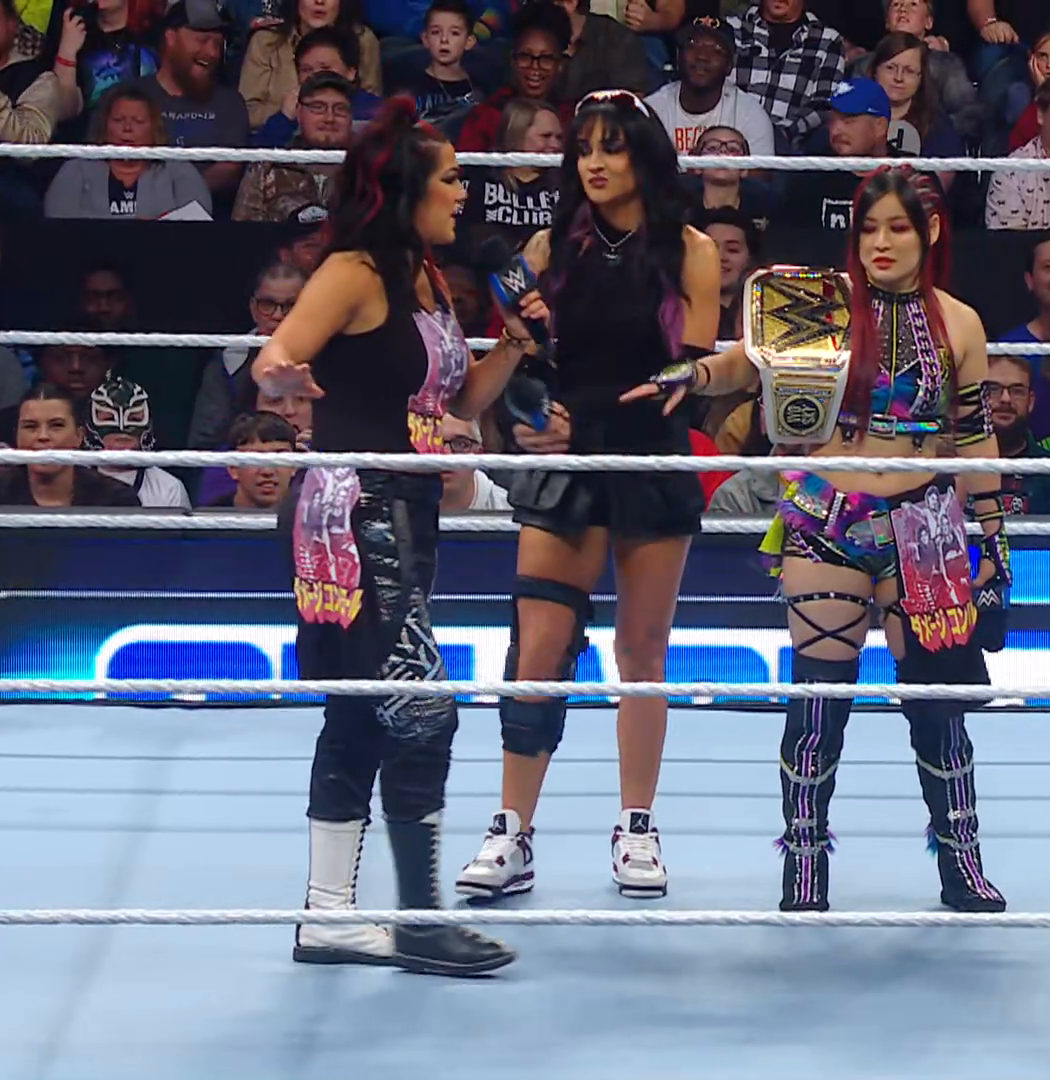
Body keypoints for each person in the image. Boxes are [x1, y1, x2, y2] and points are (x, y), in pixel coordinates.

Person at [253, 98, 539, 978]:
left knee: (360, 710)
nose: (464, 192)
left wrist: (514, 347)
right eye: (452, 178)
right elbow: (275, 358)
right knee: (421, 709)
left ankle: (329, 918)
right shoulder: (353, 270)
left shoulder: (425, 276)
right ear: (408, 188)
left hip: (408, 507)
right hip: (354, 509)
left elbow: (454, 405)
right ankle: (418, 922)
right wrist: (285, 378)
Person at [679, 166, 1008, 914]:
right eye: (868, 229)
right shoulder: (822, 303)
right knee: (820, 699)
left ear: (930, 231)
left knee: (938, 705)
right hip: (830, 516)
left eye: (897, 227)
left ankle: (962, 863)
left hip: (925, 524)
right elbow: (745, 361)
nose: (880, 243)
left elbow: (976, 436)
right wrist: (690, 373)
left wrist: (995, 542)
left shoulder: (960, 322)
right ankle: (803, 863)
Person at [454, 89, 721, 904]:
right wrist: (537, 418)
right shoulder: (547, 247)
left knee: (641, 652)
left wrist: (625, 403)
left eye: (612, 147)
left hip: (648, 455)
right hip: (565, 461)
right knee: (536, 646)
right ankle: (511, 830)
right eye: (584, 149)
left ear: (644, 154)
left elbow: (691, 374)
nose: (595, 163)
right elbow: (526, 364)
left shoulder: (692, 251)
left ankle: (637, 826)